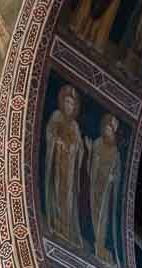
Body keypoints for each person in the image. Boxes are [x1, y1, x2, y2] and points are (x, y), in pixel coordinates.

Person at [44, 84, 84, 248]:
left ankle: (67, 229)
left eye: (72, 104)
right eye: (67, 102)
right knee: (57, 190)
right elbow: (50, 132)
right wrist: (56, 141)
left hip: (70, 165)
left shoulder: (75, 125)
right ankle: (56, 223)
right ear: (63, 103)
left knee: (68, 196)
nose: (69, 106)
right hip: (57, 162)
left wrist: (77, 148)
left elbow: (79, 145)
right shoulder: (56, 115)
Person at [86, 113, 122, 267]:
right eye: (106, 128)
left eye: (111, 129)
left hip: (106, 192)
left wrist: (113, 178)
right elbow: (90, 167)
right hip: (94, 187)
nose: (108, 131)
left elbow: (118, 173)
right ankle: (95, 244)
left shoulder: (116, 152)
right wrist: (89, 152)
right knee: (93, 214)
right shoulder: (97, 143)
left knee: (103, 217)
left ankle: (100, 247)